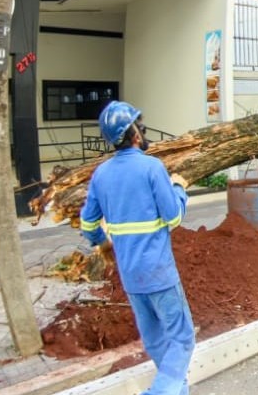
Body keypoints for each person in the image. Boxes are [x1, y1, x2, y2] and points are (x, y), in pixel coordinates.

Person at [79, 101, 194, 395]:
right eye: (140, 126)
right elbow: (174, 217)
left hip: (131, 276)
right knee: (181, 339)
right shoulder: (152, 167)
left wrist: (104, 245)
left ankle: (176, 390)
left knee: (155, 339)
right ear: (135, 134)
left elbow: (88, 225)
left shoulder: (101, 174)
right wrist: (179, 187)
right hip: (159, 273)